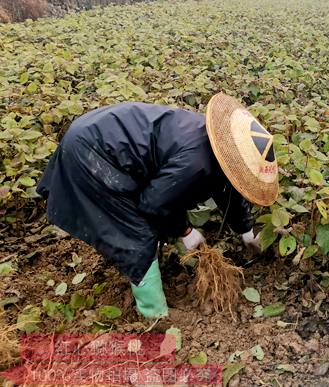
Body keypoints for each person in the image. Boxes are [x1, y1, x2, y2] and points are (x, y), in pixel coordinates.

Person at [37, 93, 279, 318]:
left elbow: (227, 190)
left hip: (98, 133)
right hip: (93, 153)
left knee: (156, 218)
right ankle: (154, 316)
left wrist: (246, 231)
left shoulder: (216, 145)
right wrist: (186, 231)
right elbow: (153, 204)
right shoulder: (195, 162)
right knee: (136, 235)